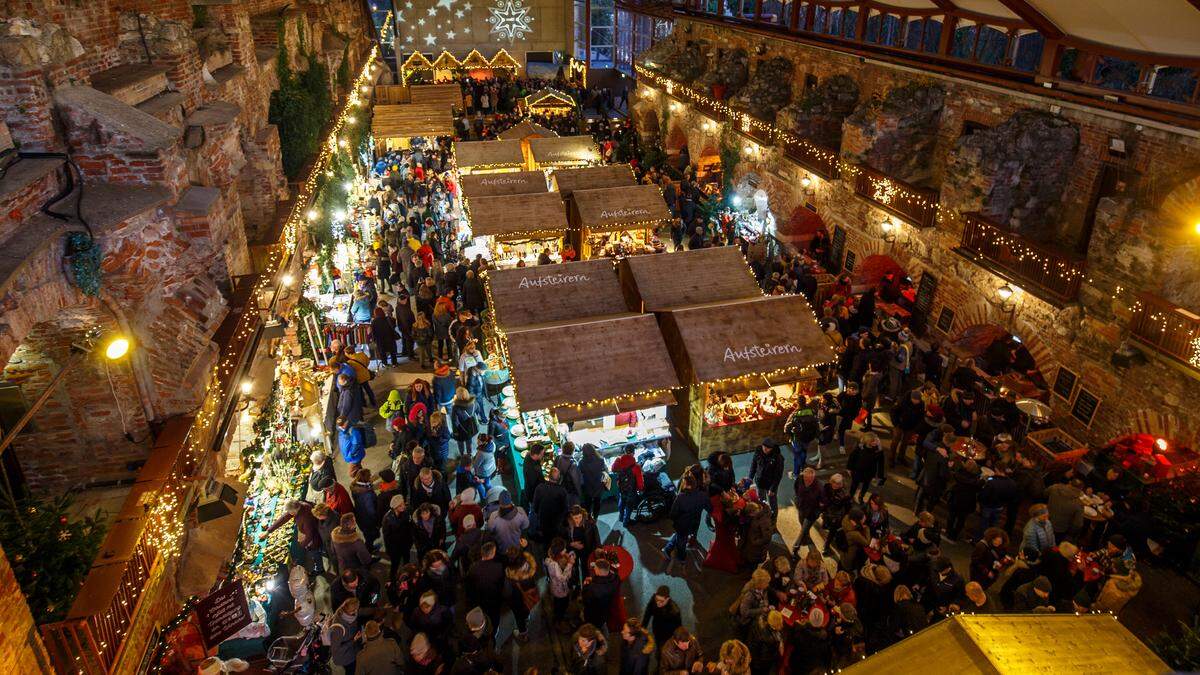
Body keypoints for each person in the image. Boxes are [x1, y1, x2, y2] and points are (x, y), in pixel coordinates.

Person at [662, 475, 709, 565]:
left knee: (681, 541)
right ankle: (668, 548)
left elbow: (672, 514)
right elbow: (708, 508)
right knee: (680, 536)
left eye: (683, 483)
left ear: (687, 485)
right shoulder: (701, 495)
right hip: (694, 523)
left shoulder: (681, 497)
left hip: (682, 525)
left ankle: (681, 557)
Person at [466, 542, 508, 631]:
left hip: (479, 599)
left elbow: (470, 585)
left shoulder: (473, 567)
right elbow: (501, 584)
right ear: (492, 553)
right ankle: (494, 630)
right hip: (494, 599)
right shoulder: (498, 567)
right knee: (494, 616)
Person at [504, 548, 539, 641]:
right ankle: (527, 617)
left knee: (519, 616)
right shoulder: (529, 565)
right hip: (530, 596)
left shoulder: (512, 578)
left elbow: (508, 593)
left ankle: (523, 634)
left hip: (518, 601)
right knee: (526, 610)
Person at [582, 558, 621, 629]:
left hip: (593, 613)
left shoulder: (592, 588)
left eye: (595, 568)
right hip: (606, 610)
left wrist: (585, 585)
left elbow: (585, 600)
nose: (594, 569)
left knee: (591, 625)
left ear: (598, 571)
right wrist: (593, 580)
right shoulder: (616, 578)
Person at [792, 468, 824, 553]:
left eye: (810, 480)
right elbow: (796, 488)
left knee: (803, 531)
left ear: (813, 478)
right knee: (803, 525)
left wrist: (817, 513)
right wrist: (797, 499)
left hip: (811, 513)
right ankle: (806, 535)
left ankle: (796, 547)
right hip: (801, 508)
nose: (807, 481)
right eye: (806, 479)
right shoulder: (800, 479)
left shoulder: (819, 487)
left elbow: (822, 503)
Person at [749, 439, 785, 516]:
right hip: (759, 481)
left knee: (772, 502)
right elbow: (753, 465)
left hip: (770, 484)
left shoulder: (778, 458)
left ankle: (773, 517)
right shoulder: (758, 452)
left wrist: (773, 489)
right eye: (764, 446)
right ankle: (764, 514)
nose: (765, 449)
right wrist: (750, 478)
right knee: (761, 500)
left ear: (772, 448)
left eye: (768, 448)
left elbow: (778, 475)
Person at [325, 599, 361, 675]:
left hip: (351, 650)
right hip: (345, 657)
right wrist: (353, 640)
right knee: (351, 671)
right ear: (352, 611)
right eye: (356, 609)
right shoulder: (338, 629)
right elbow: (336, 649)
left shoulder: (344, 611)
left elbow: (361, 612)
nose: (357, 611)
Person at [847, 432, 884, 503]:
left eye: (876, 440)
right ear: (868, 442)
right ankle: (851, 496)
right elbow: (852, 457)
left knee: (866, 486)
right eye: (873, 441)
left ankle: (861, 497)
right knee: (854, 484)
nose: (876, 442)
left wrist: (879, 476)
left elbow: (881, 463)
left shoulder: (877, 450)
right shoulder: (860, 447)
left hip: (869, 472)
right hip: (857, 471)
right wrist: (849, 468)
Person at [612, 445, 645, 525]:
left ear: (625, 451)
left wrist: (617, 461)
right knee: (629, 506)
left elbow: (613, 469)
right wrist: (640, 489)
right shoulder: (636, 467)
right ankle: (626, 522)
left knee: (622, 501)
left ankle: (621, 516)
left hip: (621, 487)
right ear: (633, 453)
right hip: (631, 490)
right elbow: (640, 481)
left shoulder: (619, 460)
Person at [381, 494, 413, 571]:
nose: (403, 506)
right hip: (395, 546)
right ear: (395, 507)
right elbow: (387, 536)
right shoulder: (387, 519)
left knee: (406, 560)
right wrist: (389, 550)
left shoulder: (406, 511)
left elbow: (410, 527)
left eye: (403, 504)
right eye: (400, 505)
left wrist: (410, 540)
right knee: (395, 564)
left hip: (405, 543)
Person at [580, 443, 608, 517]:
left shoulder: (581, 462)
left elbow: (580, 474)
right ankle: (595, 518)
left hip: (587, 487)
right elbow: (605, 471)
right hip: (598, 486)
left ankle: (588, 518)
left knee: (587, 504)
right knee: (597, 503)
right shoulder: (601, 460)